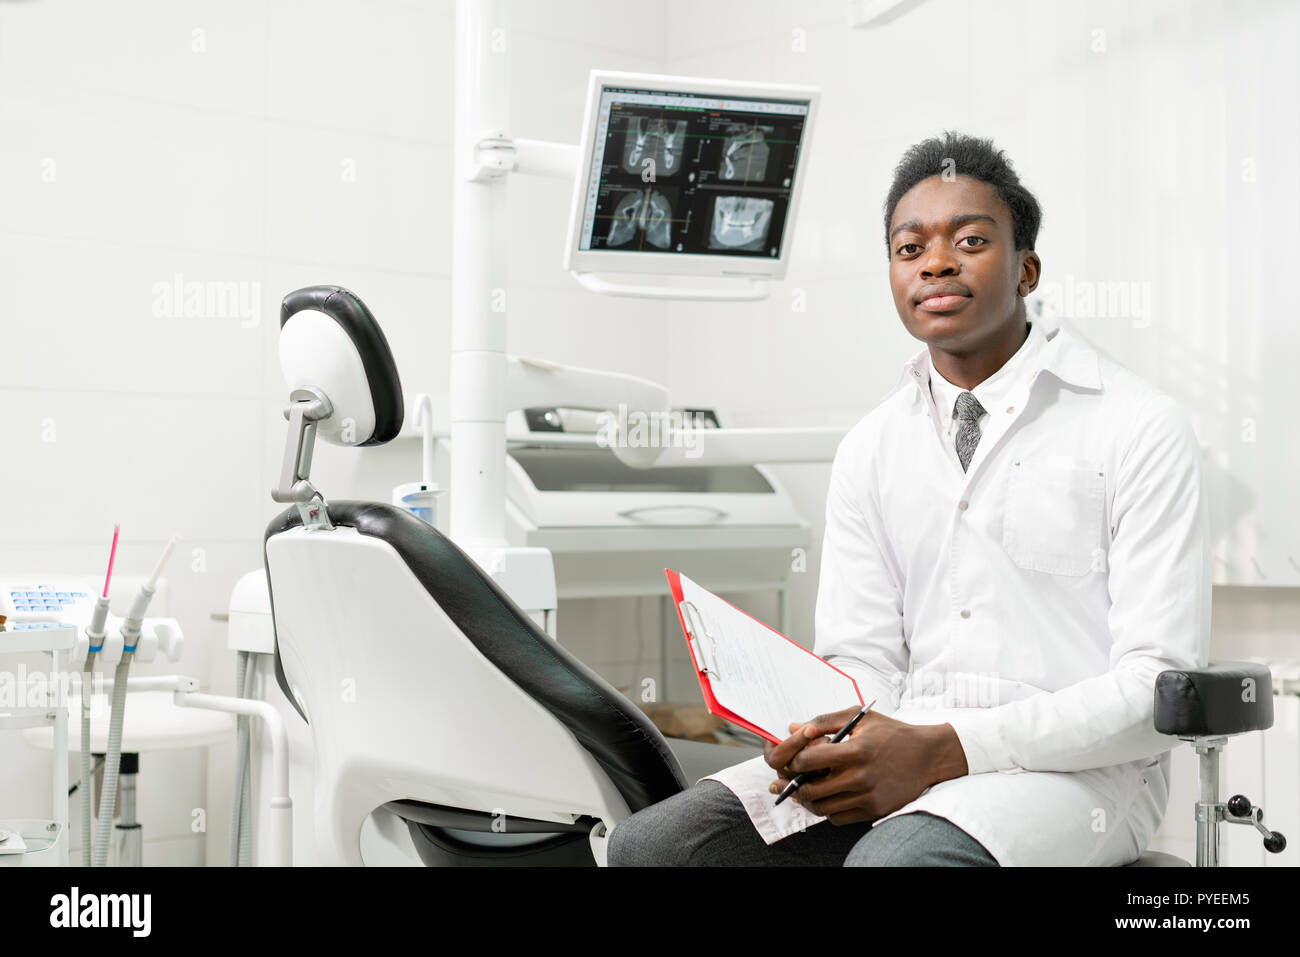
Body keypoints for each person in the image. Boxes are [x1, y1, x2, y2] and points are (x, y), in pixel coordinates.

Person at [607, 131, 1211, 867]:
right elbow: (862, 655)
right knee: (658, 846)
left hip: (1076, 775)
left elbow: (1158, 686)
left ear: (1026, 270)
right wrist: (828, 728)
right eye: (909, 247)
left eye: (970, 239)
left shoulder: (1137, 425)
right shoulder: (872, 444)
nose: (936, 261)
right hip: (901, 744)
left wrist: (946, 749)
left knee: (893, 864)